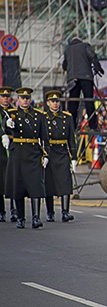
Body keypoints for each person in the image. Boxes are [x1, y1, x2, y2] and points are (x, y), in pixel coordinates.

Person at [3, 88, 50, 229]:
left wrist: (46, 154)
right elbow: (3, 127)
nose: (25, 100)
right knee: (18, 186)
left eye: (27, 98)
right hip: (18, 152)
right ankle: (21, 218)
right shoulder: (11, 114)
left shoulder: (39, 115)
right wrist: (6, 128)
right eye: (23, 98)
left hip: (34, 153)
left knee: (36, 185)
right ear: (18, 99)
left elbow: (45, 137)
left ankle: (36, 217)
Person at [43, 90, 77, 223]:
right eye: (53, 101)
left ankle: (65, 211)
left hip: (62, 152)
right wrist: (43, 154)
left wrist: (74, 157)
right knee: (49, 184)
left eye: (57, 101)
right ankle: (50, 212)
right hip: (50, 152)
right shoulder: (43, 117)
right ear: (48, 103)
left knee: (65, 182)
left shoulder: (67, 117)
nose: (55, 104)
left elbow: (71, 139)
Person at [62, 37, 104, 130]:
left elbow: (64, 65)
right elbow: (92, 56)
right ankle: (93, 125)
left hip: (73, 78)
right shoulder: (85, 46)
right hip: (86, 77)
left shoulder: (68, 50)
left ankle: (72, 125)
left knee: (73, 102)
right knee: (88, 100)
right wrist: (98, 68)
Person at [0, 86, 18, 222]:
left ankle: (14, 210)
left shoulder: (14, 111)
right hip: (0, 150)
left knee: (13, 179)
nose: (6, 98)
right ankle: (1, 210)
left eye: (7, 96)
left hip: (13, 148)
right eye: (3, 96)